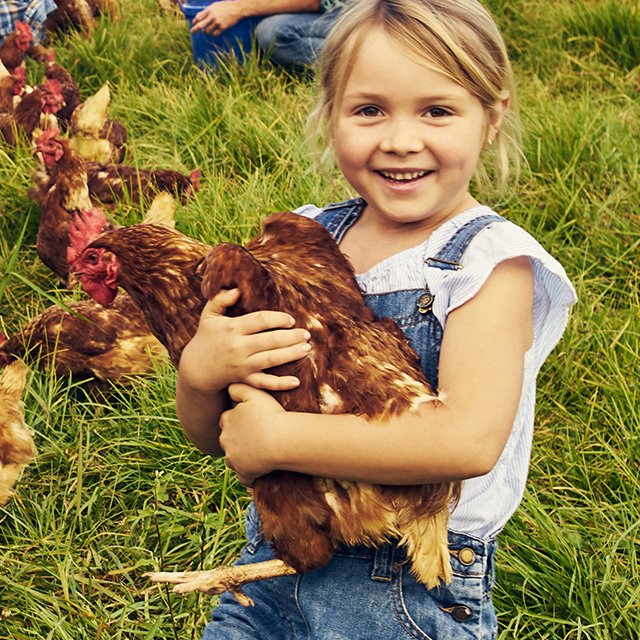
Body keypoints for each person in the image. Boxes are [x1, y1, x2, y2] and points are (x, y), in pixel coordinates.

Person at [177, 0, 577, 636]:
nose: (399, 139)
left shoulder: (488, 264)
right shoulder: (304, 242)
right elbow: (223, 436)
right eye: (368, 110)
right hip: (275, 559)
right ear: (330, 114)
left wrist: (281, 441)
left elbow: (465, 441)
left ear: (491, 119)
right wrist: (200, 375)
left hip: (399, 589)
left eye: (437, 111)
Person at [189, 0, 343, 69]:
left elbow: (314, 1)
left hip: (356, 13)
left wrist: (238, 8)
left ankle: (356, 60)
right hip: (324, 12)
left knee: (275, 33)